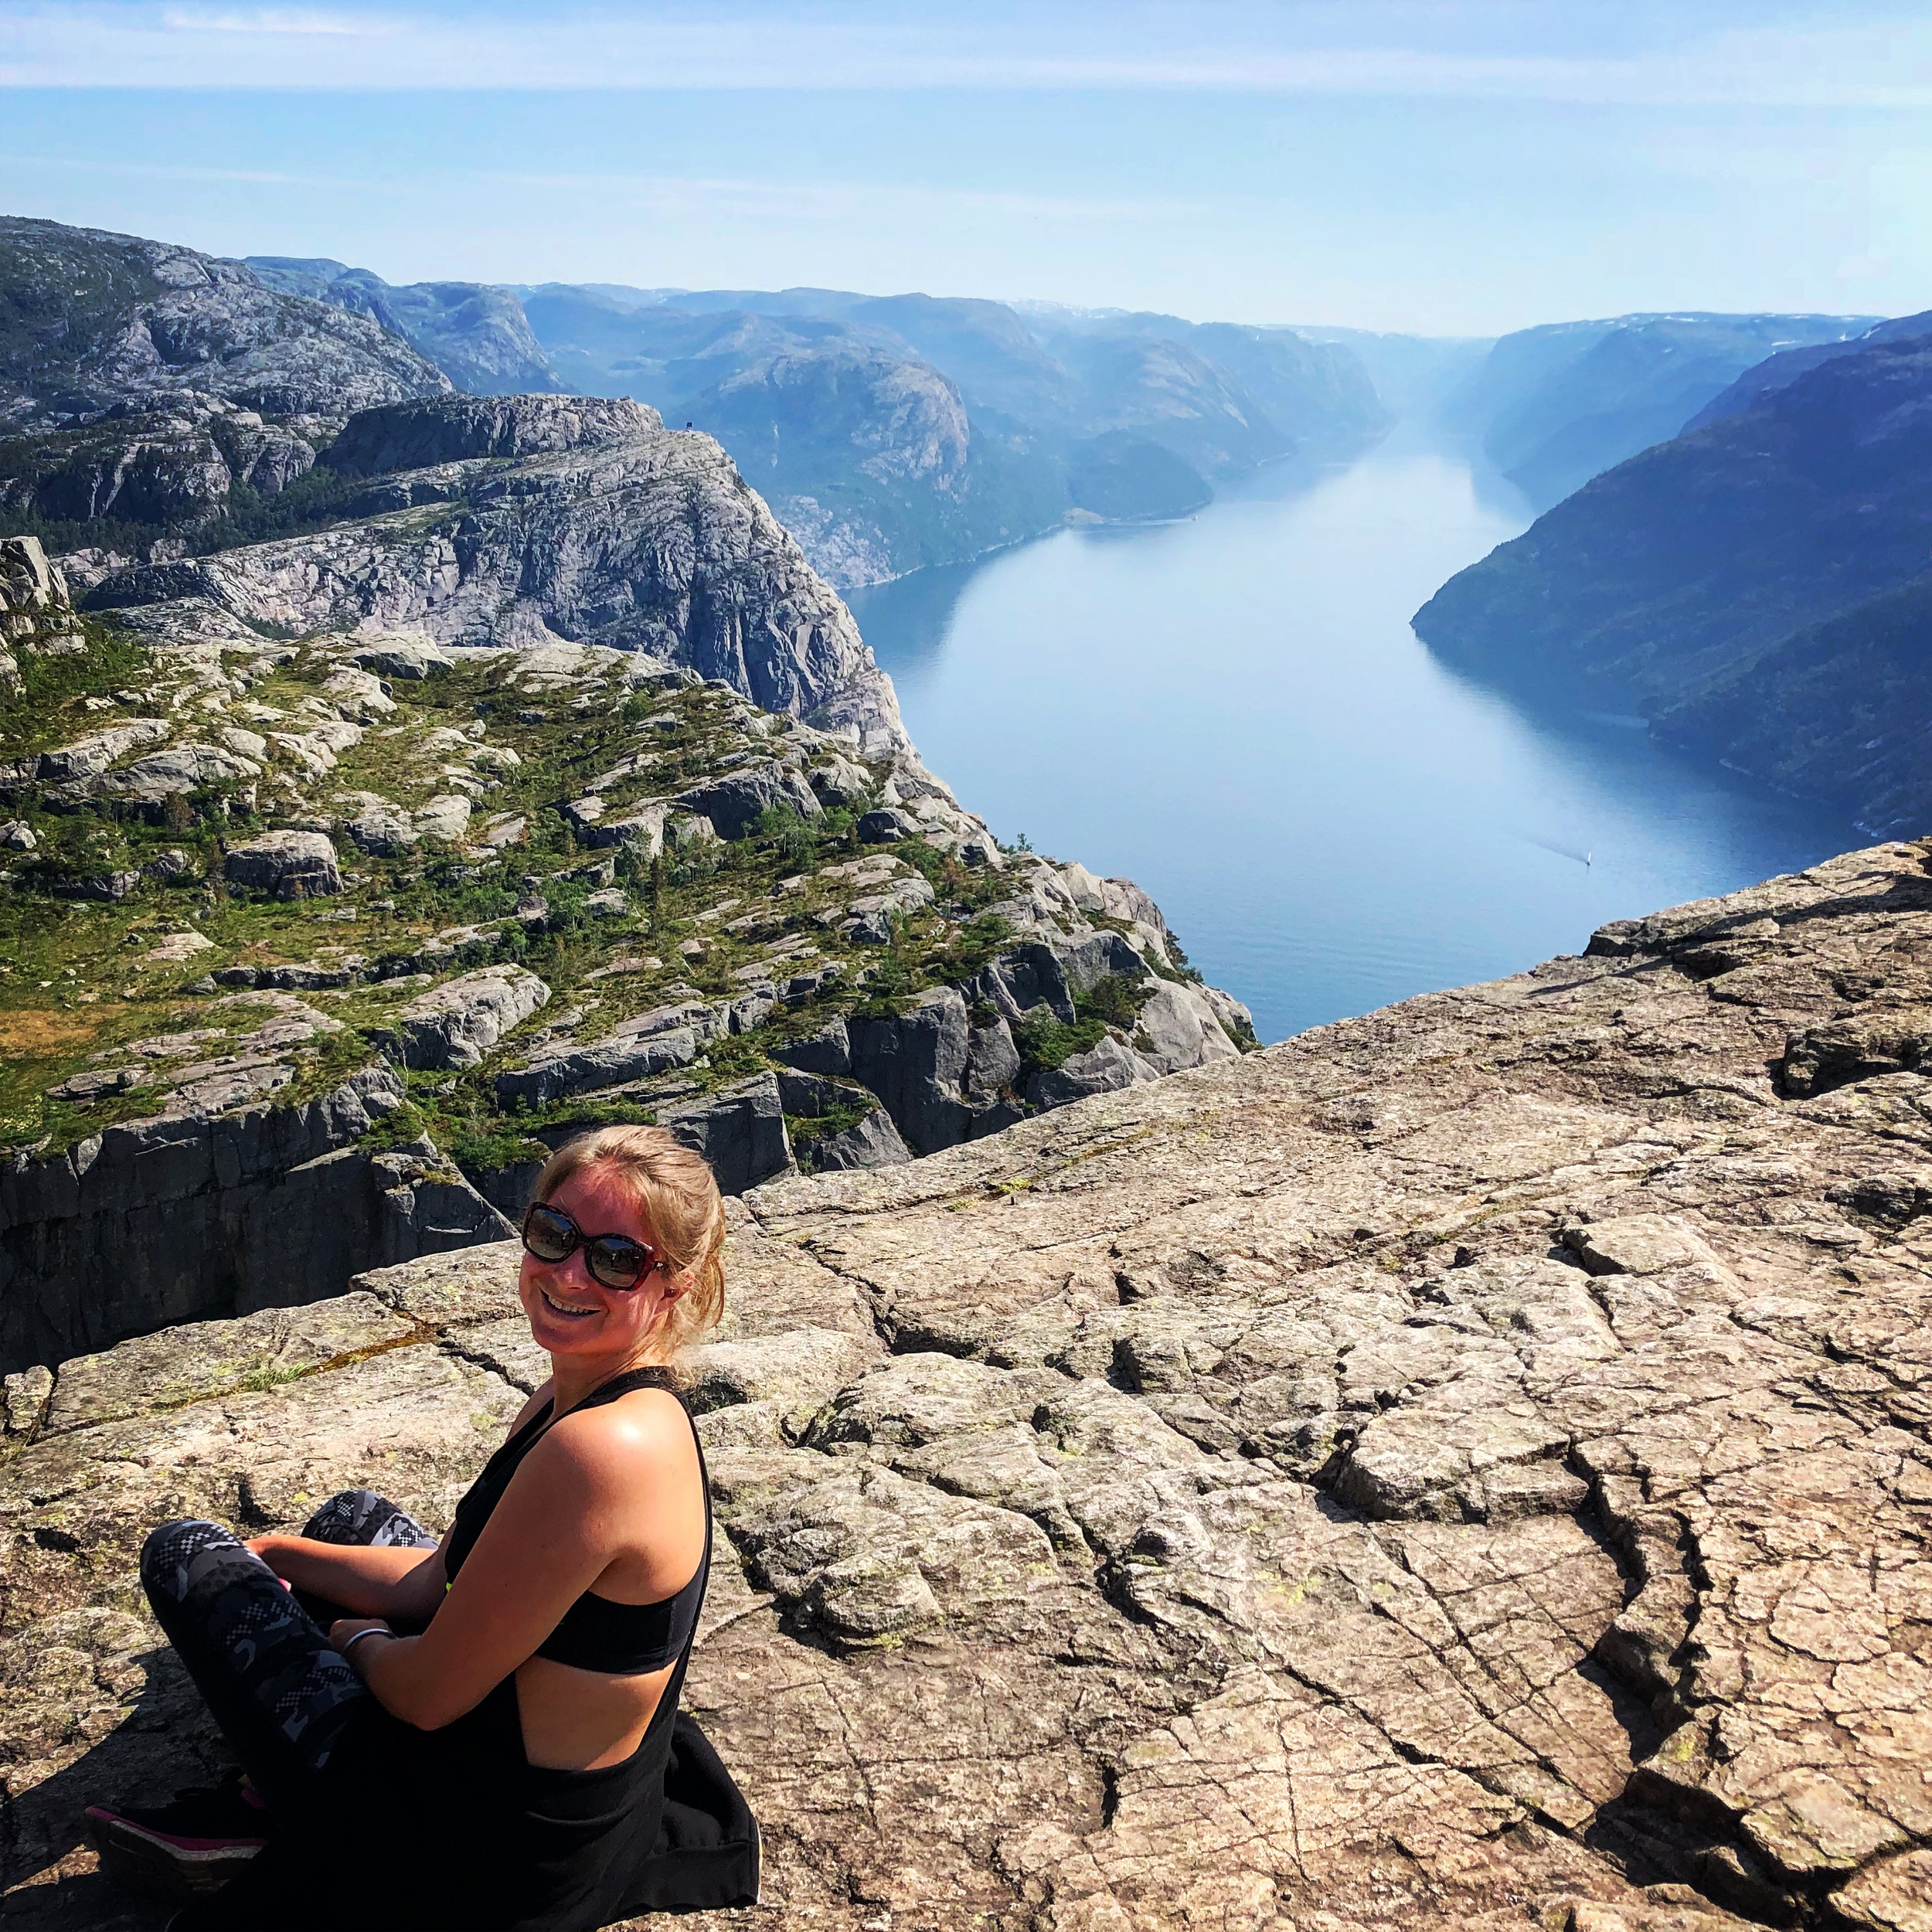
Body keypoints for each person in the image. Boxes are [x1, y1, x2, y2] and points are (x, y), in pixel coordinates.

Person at [86, 1125, 759, 1930]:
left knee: (185, 1554)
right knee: (349, 1516)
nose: (569, 1271)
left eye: (616, 1258)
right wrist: (274, 1555)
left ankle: (282, 1823)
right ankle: (279, 1787)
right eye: (553, 1233)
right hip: (569, 1803)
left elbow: (430, 1695)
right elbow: (436, 1577)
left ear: (675, 1285)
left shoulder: (600, 1450)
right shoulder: (579, 1396)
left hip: (482, 1855)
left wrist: (356, 1638)